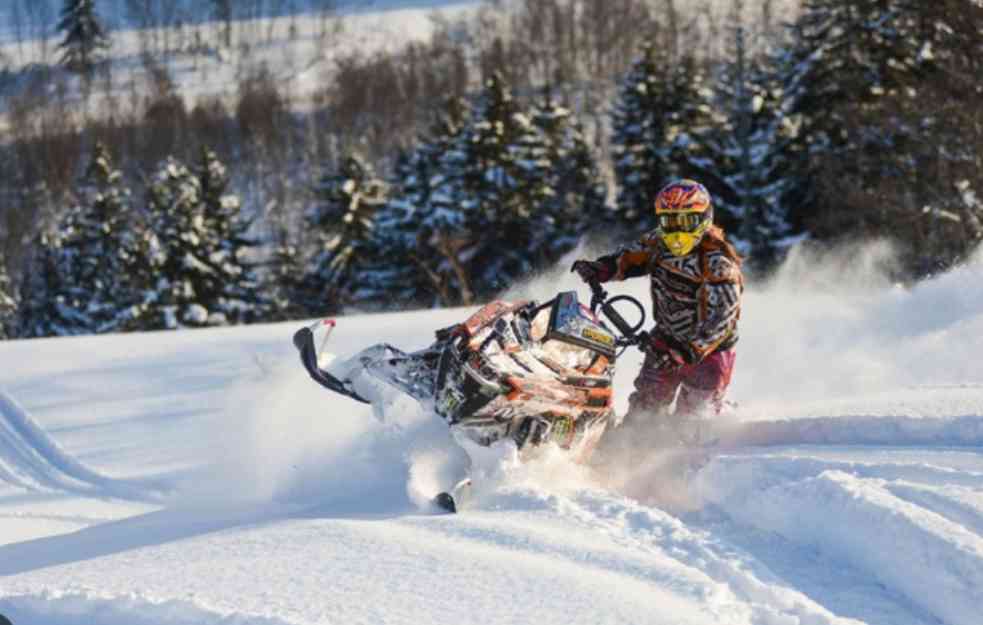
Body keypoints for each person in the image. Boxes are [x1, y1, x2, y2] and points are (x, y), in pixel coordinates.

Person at [572, 179, 743, 444]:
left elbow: (723, 319)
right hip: (664, 340)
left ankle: (697, 459)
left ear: (703, 219)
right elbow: (629, 258)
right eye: (668, 222)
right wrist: (601, 269)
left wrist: (686, 352)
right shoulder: (657, 243)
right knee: (643, 410)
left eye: (684, 222)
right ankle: (622, 457)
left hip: (708, 354)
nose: (675, 232)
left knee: (691, 426)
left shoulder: (718, 263)